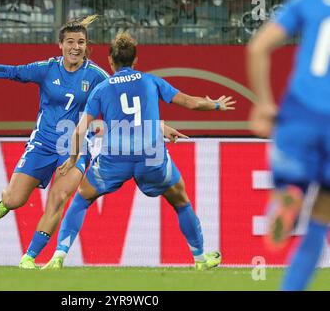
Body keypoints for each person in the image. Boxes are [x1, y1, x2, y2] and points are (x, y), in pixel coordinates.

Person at [0, 16, 184, 269]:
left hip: (75, 147)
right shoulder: (46, 69)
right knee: (15, 199)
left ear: (86, 46)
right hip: (43, 143)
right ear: (60, 45)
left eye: (81, 42)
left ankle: (29, 258)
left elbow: (127, 104)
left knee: (58, 199)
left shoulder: (97, 76)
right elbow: (11, 72)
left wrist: (156, 125)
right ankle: (5, 201)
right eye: (70, 41)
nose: (75, 47)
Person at [42, 32, 236, 270]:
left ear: (111, 62)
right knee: (181, 202)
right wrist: (216, 104)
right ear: (135, 61)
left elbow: (79, 131)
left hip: (115, 158)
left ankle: (58, 257)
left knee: (81, 199)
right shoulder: (150, 81)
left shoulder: (101, 88)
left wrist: (72, 160)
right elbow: (191, 102)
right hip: (151, 156)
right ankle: (200, 259)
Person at [248, 0, 330, 291]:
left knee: (292, 186)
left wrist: (264, 104)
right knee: (322, 216)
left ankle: (288, 193)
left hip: (300, 115)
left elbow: (258, 48)